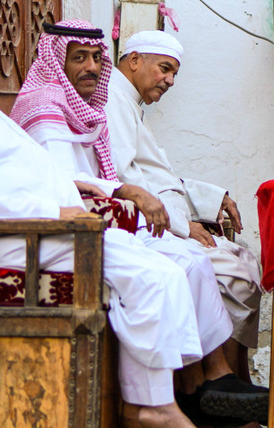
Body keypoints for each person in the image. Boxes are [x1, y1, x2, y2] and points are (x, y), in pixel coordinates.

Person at [0, 2, 268, 428]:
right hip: (9, 239)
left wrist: (74, 190)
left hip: (45, 228)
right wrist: (57, 209)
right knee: (152, 273)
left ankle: (159, 402)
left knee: (167, 269)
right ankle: (151, 406)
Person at [10, 20, 269, 428]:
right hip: (62, 230)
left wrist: (193, 206)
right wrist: (168, 217)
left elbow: (137, 172)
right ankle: (177, 397)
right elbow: (74, 183)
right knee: (183, 268)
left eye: (96, 58)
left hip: (105, 217)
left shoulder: (87, 103)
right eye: (80, 58)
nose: (93, 68)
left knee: (198, 264)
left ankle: (217, 382)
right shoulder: (50, 104)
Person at [106, 30, 265, 358]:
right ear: (134, 60)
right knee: (237, 276)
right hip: (148, 228)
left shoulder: (130, 102)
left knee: (246, 262)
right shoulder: (113, 99)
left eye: (174, 73)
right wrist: (183, 225)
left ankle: (235, 380)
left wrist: (212, 197)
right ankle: (221, 380)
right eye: (165, 69)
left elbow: (157, 174)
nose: (170, 81)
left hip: (166, 219)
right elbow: (126, 180)